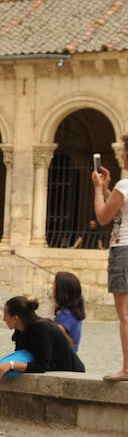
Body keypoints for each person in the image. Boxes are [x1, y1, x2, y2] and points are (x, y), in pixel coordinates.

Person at [93, 144, 128, 381]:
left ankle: (127, 369)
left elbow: (104, 217)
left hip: (123, 250)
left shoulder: (124, 185)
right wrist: (107, 190)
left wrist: (97, 189)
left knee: (125, 314)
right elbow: (119, 210)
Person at [0, 296, 84, 378]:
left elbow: (41, 365)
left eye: (6, 315)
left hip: (71, 372)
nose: (3, 319)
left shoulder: (42, 329)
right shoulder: (20, 330)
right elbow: (22, 355)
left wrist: (11, 364)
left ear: (15, 318)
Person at [53, 271, 85, 351]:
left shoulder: (66, 315)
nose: (52, 288)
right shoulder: (73, 312)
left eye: (54, 285)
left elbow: (55, 334)